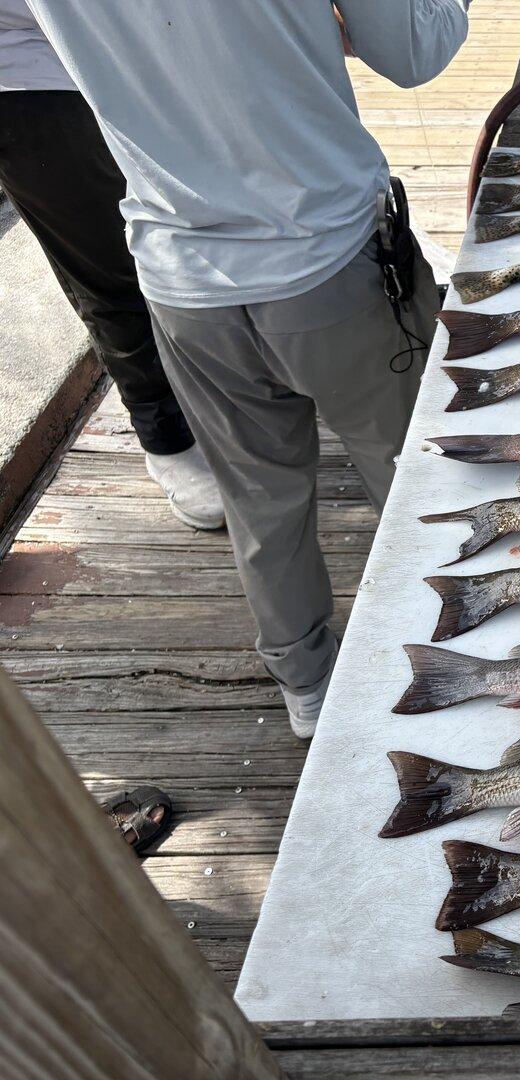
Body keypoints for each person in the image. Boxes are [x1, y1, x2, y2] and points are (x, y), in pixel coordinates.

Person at [26, 1, 466, 738]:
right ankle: (462, 654)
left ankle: (307, 684)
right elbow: (416, 50)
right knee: (416, 478)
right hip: (332, 257)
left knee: (260, 501)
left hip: (178, 274)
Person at [0, 1, 224, 529]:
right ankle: (167, 437)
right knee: (111, 274)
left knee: (215, 230)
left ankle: (240, 390)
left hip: (155, 56)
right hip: (32, 82)